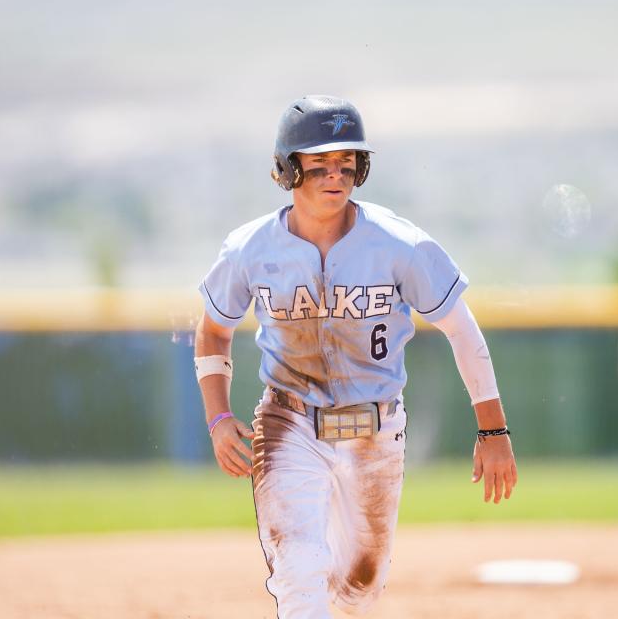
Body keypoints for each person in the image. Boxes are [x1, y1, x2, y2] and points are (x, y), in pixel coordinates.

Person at [193, 95, 517, 618]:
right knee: (298, 571)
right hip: (288, 423)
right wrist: (219, 416)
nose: (334, 176)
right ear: (286, 170)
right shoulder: (249, 249)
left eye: (346, 164)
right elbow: (212, 331)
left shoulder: (398, 243)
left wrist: (494, 431)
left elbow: (463, 331)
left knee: (361, 588)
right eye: (317, 165)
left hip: (375, 431)